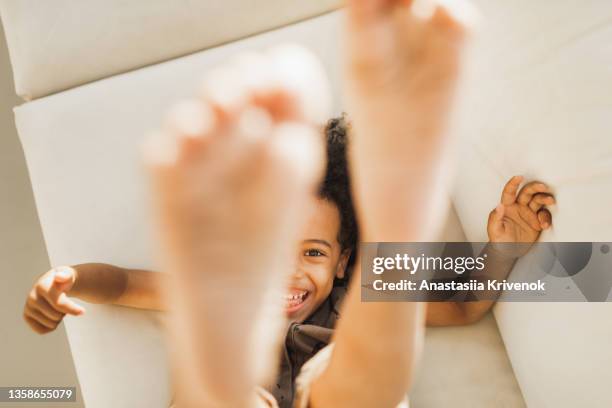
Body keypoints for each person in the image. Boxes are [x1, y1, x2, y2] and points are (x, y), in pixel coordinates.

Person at [23, 0, 554, 406]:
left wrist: (502, 251)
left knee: (354, 344)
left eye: (315, 253)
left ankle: (397, 211)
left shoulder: (346, 299)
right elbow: (120, 283)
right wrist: (71, 278)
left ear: (344, 259)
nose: (290, 272)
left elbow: (463, 305)